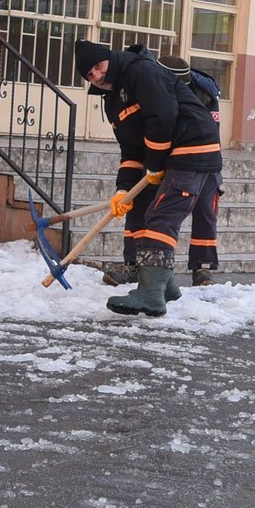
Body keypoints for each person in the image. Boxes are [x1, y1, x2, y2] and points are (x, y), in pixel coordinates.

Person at [74, 38, 222, 317]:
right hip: (173, 154)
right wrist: (123, 189)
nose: (97, 76)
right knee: (151, 213)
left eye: (98, 66)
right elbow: (131, 149)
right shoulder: (113, 102)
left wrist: (153, 163)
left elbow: (163, 117)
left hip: (192, 147)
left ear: (109, 58)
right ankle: (164, 286)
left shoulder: (141, 70)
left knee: (162, 218)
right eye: (89, 75)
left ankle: (151, 295)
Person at [160, 55, 225, 286]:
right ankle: (148, 265)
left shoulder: (205, 91)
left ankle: (202, 267)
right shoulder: (158, 89)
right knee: (161, 215)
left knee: (206, 212)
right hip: (174, 161)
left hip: (207, 161)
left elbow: (211, 129)